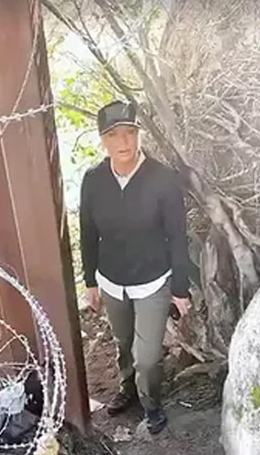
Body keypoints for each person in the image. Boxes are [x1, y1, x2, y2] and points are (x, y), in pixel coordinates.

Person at [80, 100, 192, 435]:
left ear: (138, 135)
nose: (123, 142)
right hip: (112, 281)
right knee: (122, 341)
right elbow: (87, 232)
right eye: (114, 135)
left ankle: (151, 403)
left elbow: (177, 236)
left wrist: (181, 289)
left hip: (153, 281)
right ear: (103, 140)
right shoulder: (93, 180)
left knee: (148, 356)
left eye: (129, 133)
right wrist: (90, 281)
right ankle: (127, 389)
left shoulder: (162, 179)